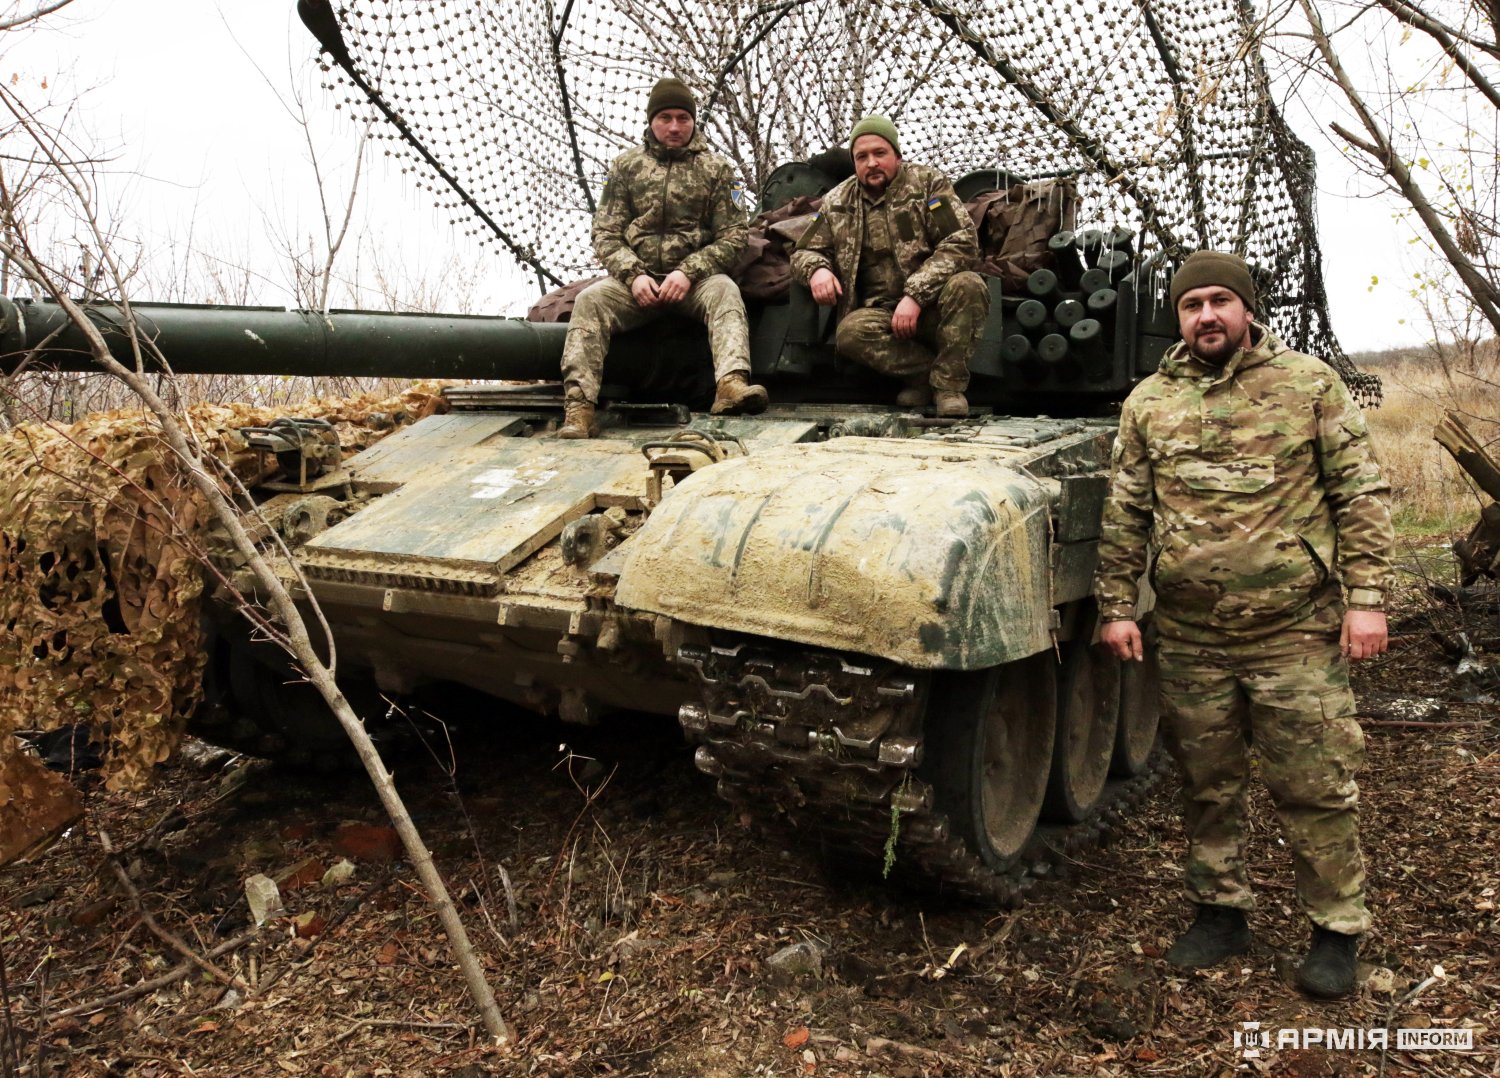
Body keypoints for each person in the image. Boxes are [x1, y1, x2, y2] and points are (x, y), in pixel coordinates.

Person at [1093, 250, 1394, 1000]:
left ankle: (1336, 928)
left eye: (1221, 301)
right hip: (1193, 634)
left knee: (1314, 783)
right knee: (1206, 782)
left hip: (1293, 629)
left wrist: (1367, 597)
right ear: (1178, 317)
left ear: (1248, 310)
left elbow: (1359, 491)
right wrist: (1116, 605)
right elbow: (1126, 510)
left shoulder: (1308, 386)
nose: (1206, 317)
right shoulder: (1149, 402)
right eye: (1192, 305)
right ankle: (1220, 911)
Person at [558, 77, 766, 438]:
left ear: (693, 122)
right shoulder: (626, 167)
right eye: (666, 117)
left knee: (725, 292)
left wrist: (688, 272)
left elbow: (734, 236)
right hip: (635, 282)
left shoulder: (717, 170)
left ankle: (731, 385)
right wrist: (633, 274)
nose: (674, 126)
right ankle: (579, 408)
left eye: (683, 118)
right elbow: (605, 232)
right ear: (651, 120)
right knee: (590, 301)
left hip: (694, 283)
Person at [790, 116, 988, 417]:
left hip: (933, 305)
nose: (871, 163)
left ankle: (949, 386)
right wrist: (817, 268)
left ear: (896, 155)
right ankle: (925, 378)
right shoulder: (837, 202)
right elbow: (803, 250)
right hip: (880, 315)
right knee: (850, 333)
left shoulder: (928, 185)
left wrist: (916, 295)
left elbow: (961, 240)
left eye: (879, 153)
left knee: (969, 284)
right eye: (862, 156)